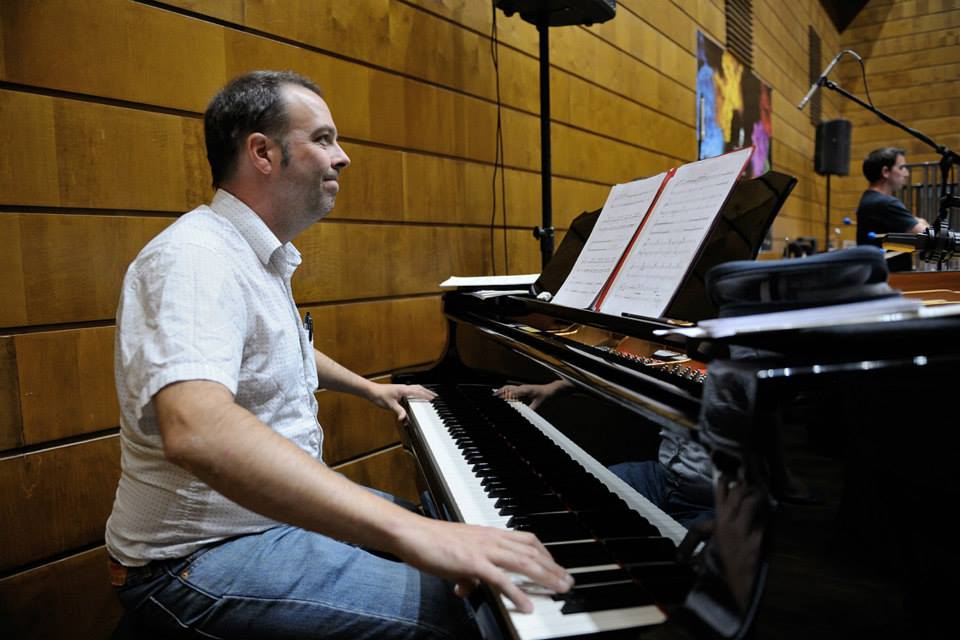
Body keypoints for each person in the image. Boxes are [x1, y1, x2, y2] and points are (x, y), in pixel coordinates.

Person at [105, 70, 572, 639]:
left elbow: (283, 348)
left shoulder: (250, 254)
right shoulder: (194, 259)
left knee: (452, 529)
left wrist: (370, 389)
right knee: (466, 617)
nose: (343, 157)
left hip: (263, 522)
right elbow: (196, 429)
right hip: (197, 557)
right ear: (262, 153)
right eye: (323, 139)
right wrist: (413, 536)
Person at [856, 147, 929, 271]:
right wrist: (921, 222)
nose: (906, 173)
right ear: (885, 171)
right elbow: (928, 236)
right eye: (901, 168)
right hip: (891, 278)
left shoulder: (868, 198)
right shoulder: (886, 203)